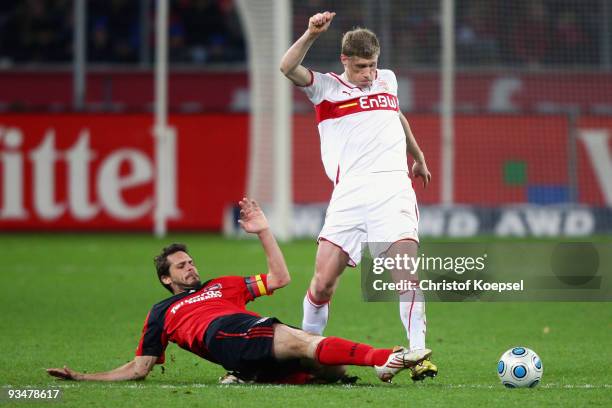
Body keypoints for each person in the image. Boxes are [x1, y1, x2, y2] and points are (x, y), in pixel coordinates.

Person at [47, 198, 431, 384]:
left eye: (191, 261)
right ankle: (387, 357)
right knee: (301, 341)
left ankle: (254, 375)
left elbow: (279, 279)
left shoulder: (221, 285)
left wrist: (264, 231)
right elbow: (140, 367)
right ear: (167, 279)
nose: (190, 267)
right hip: (225, 332)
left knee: (333, 370)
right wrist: (84, 378)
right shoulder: (162, 311)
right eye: (181, 266)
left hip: (245, 338)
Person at [279, 11, 437, 381]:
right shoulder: (325, 87)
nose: (369, 73)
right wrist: (310, 33)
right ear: (345, 60)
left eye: (374, 65)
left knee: (405, 272)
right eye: (362, 66)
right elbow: (287, 67)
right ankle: (310, 356)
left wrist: (417, 155)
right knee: (323, 283)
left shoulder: (388, 80)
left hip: (393, 187)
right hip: (349, 193)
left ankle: (418, 353)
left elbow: (397, 116)